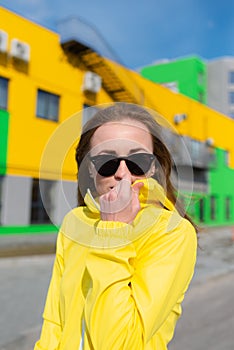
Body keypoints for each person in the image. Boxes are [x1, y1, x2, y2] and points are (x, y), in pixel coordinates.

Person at [34, 103, 197, 350]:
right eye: (107, 162)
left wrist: (114, 234)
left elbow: (118, 344)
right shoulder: (75, 222)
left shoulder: (172, 232)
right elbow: (55, 318)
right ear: (90, 167)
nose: (122, 173)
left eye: (138, 161)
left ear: (153, 166)